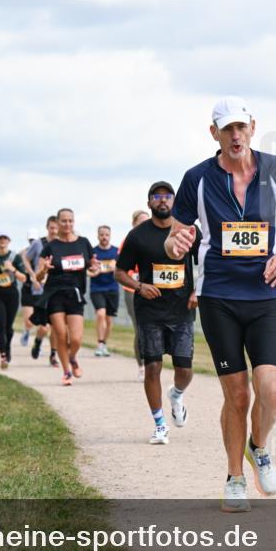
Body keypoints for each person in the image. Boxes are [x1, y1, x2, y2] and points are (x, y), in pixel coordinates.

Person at [166, 96, 276, 512]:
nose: (235, 135)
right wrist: (175, 243)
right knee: (238, 396)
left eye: (241, 127)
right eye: (226, 129)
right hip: (218, 299)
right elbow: (174, 238)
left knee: (271, 389)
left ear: (253, 126)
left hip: (263, 295)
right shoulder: (196, 178)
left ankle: (259, 447)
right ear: (213, 133)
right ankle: (234, 478)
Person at [118, 182, 202, 444]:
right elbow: (119, 271)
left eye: (167, 197)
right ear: (149, 203)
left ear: (174, 202)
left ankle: (176, 395)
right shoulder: (138, 236)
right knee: (152, 366)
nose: (162, 201)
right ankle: (160, 424)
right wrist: (139, 286)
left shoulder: (189, 231)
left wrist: (197, 290)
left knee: (184, 369)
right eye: (157, 197)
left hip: (181, 309)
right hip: (150, 311)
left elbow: (207, 260)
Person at [33, 208, 100, 385]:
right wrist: (44, 270)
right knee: (61, 335)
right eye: (64, 221)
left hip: (75, 293)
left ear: (74, 222)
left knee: (76, 338)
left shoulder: (84, 243)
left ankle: (72, 357)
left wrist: (95, 268)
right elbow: (38, 278)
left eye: (70, 221)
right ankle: (66, 372)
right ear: (57, 222)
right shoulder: (51, 246)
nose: (67, 224)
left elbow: (92, 265)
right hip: (54, 293)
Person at [0, 229, 28, 369]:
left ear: (9, 241)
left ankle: (8, 347)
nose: (2, 241)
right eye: (0, 239)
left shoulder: (15, 257)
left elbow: (24, 278)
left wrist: (12, 269)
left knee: (9, 328)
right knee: (1, 325)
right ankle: (3, 356)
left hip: (11, 294)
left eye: (5, 238)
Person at [122, 210, 151, 380]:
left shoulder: (157, 238)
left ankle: (152, 364)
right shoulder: (129, 241)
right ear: (134, 224)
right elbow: (123, 268)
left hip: (153, 289)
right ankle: (141, 366)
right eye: (141, 222)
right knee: (140, 328)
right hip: (133, 290)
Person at [28, 216, 60, 367]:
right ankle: (38, 341)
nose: (54, 231)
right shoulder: (38, 243)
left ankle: (53, 355)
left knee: (55, 325)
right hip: (40, 290)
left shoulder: (62, 244)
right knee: (44, 326)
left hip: (56, 290)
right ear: (47, 228)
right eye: (51, 228)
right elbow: (26, 258)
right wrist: (33, 276)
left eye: (56, 228)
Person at [90, 225, 120, 357]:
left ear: (110, 235)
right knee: (100, 314)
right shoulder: (93, 252)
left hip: (112, 288)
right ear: (98, 236)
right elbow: (89, 269)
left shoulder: (116, 251)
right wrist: (93, 270)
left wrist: (114, 268)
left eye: (106, 235)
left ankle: (104, 344)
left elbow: (121, 268)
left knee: (108, 319)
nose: (104, 237)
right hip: (97, 288)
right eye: (101, 235)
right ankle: (99, 344)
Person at [19, 228, 41, 348]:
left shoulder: (42, 251)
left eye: (34, 240)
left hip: (40, 288)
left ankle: (38, 343)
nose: (32, 242)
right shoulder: (23, 253)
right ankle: (27, 331)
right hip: (28, 287)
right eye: (30, 240)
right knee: (29, 320)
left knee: (41, 320)